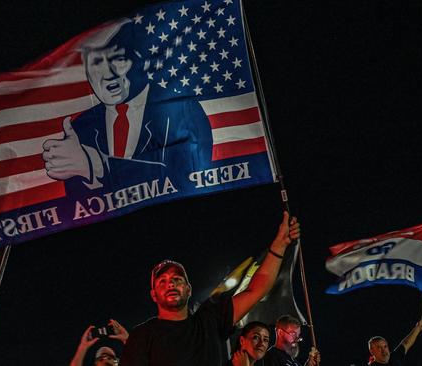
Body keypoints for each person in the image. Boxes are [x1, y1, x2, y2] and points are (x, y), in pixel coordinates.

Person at [42, 18, 213, 192]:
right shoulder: (80, 130)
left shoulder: (181, 109)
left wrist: (98, 166)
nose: (108, 74)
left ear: (143, 61)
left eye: (119, 59)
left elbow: (190, 174)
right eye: (97, 62)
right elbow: (79, 204)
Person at [120, 212, 301, 366]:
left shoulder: (210, 321)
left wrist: (279, 245)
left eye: (177, 279)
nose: (171, 284)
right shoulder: (142, 336)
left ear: (189, 289)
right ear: (153, 295)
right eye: (162, 281)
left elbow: (256, 290)